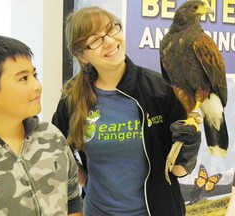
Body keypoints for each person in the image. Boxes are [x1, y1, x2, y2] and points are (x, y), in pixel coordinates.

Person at [52, 6, 201, 216]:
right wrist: (83, 177)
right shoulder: (72, 99)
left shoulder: (160, 90)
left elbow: (179, 169)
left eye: (112, 29)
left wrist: (189, 148)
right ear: (81, 55)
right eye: (95, 40)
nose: (110, 41)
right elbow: (57, 150)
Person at [0, 35, 83, 216]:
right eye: (23, 79)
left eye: (34, 75)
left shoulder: (52, 137)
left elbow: (72, 198)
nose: (37, 86)